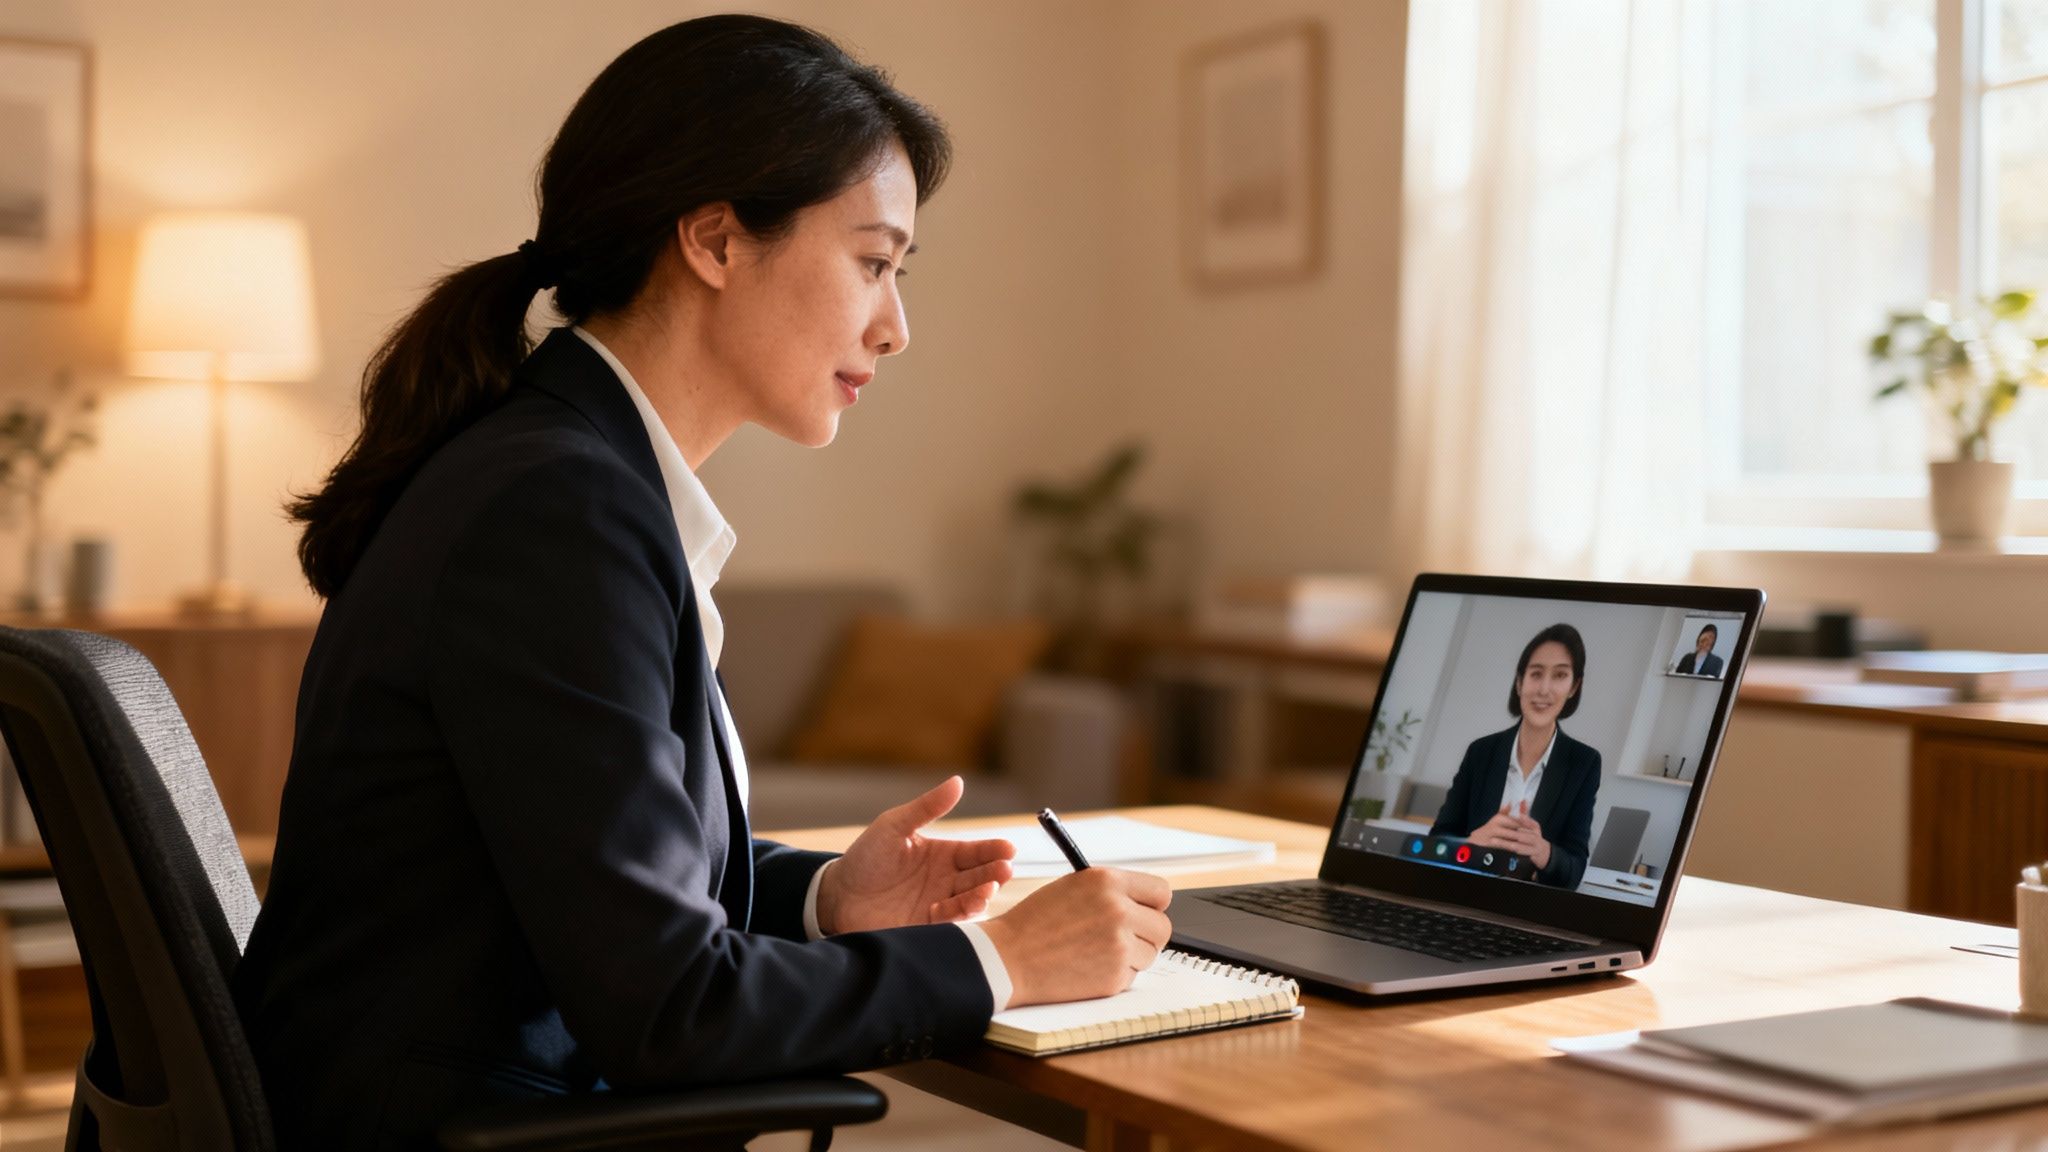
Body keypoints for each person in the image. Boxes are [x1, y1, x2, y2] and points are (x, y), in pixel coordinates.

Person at [230, 16, 1172, 1148]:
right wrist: (1001, 960)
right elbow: (669, 1011)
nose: (896, 326)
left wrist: (828, 902)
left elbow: (581, 862)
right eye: (873, 262)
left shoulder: (562, 471)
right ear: (715, 240)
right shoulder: (556, 511)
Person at [1428, 623, 1601, 890]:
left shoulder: (1584, 763)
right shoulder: (1480, 752)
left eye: (1559, 675)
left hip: (1527, 909)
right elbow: (1436, 843)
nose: (1544, 689)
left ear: (1573, 687)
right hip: (1463, 895)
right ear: (1520, 683)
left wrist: (1543, 852)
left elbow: (1573, 871)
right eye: (1536, 674)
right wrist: (1472, 843)